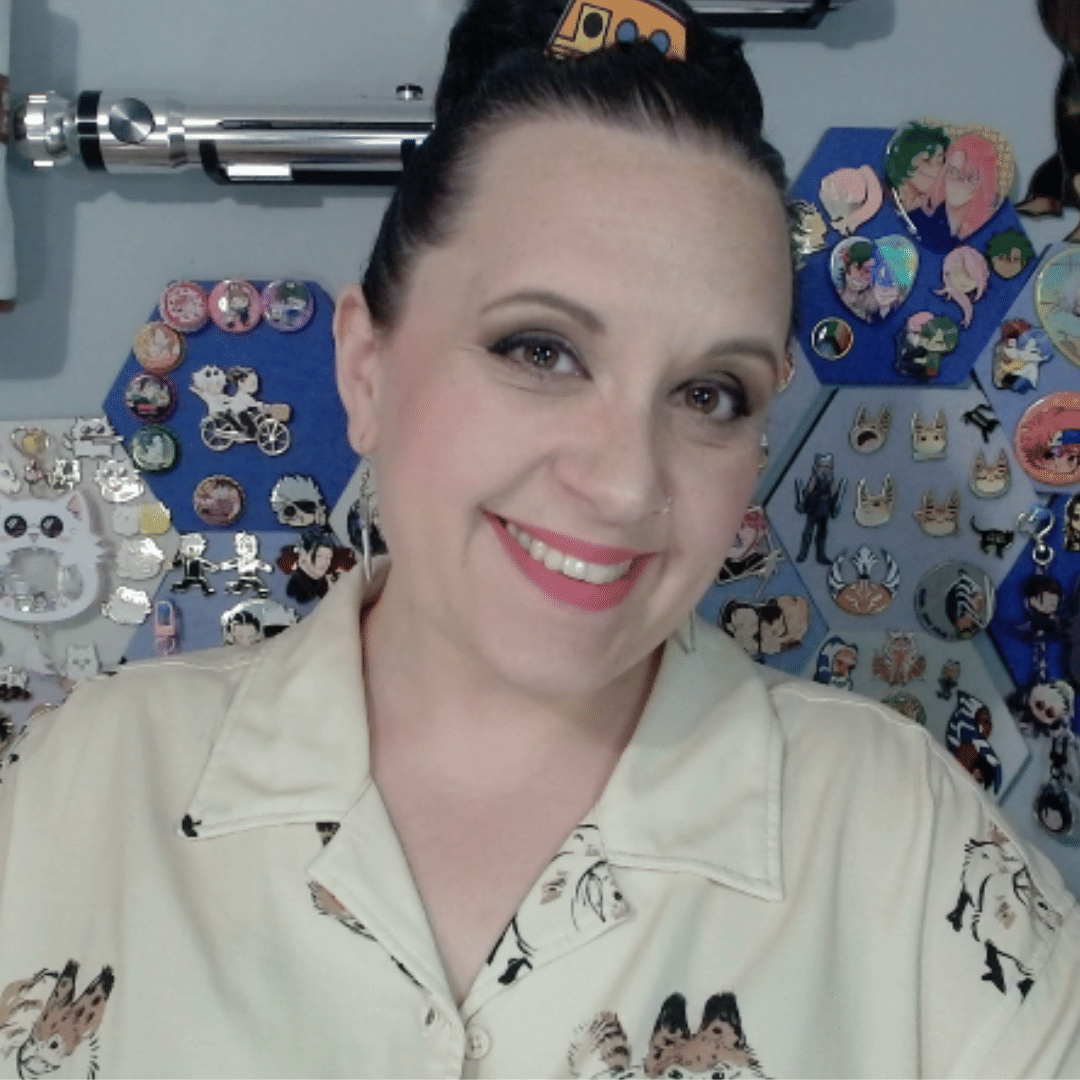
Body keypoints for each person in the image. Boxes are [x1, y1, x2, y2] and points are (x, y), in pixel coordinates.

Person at [0, 2, 1078, 1077]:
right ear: (367, 370)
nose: (625, 483)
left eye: (710, 392)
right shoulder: (81, 786)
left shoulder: (899, 841)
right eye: (542, 350)